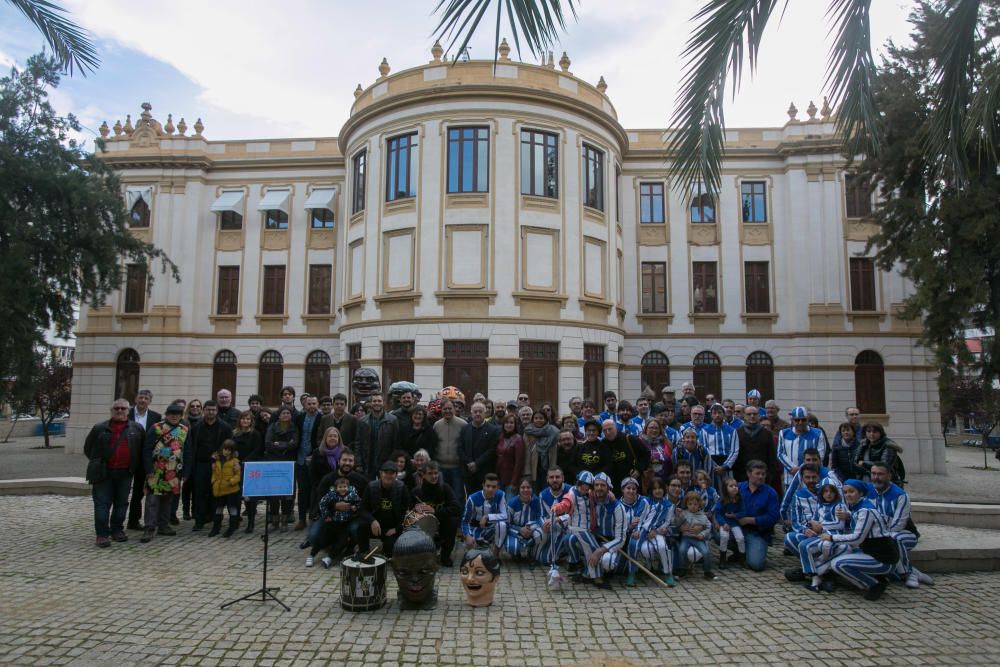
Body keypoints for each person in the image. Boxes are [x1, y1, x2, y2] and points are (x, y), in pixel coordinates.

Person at [84, 399, 146, 547]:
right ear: (111, 411)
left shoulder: (136, 428)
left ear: (128, 410)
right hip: (103, 473)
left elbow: (141, 450)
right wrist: (99, 463)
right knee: (102, 504)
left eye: (123, 408)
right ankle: (102, 534)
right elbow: (88, 448)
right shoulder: (99, 428)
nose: (119, 411)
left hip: (125, 472)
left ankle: (117, 530)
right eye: (116, 408)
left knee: (121, 503)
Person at [825, 479, 899, 601]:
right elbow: (858, 518)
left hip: (883, 558)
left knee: (837, 564)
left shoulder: (865, 510)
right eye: (845, 492)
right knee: (841, 555)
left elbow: (857, 538)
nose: (848, 494)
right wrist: (848, 515)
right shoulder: (860, 505)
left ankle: (874, 584)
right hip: (874, 551)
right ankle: (877, 578)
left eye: (851, 491)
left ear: (861, 493)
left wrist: (832, 538)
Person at [867, 462, 928, 588]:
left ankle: (908, 573)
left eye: (880, 474)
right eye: (873, 474)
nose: (876, 477)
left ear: (889, 475)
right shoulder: (868, 491)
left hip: (904, 533)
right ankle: (912, 571)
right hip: (879, 534)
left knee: (894, 539)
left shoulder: (900, 495)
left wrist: (880, 535)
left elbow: (898, 524)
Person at [140, 402, 188, 543]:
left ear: (181, 416)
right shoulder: (156, 428)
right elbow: (147, 449)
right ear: (167, 415)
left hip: (174, 470)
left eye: (177, 414)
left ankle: (163, 525)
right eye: (172, 414)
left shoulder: (184, 429)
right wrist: (148, 468)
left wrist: (186, 471)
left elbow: (188, 450)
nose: (174, 417)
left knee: (168, 499)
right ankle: (149, 527)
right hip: (156, 470)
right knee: (152, 500)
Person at [184, 400, 233, 531]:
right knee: (199, 493)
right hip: (201, 465)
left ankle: (216, 520)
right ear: (203, 410)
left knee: (217, 493)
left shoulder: (225, 427)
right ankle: (199, 521)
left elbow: (230, 446)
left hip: (219, 465)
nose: (211, 412)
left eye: (213, 410)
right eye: (208, 409)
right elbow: (192, 446)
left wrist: (220, 457)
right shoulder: (196, 427)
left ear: (217, 411)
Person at [550, 471, 602, 586]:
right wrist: (557, 508)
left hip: (587, 529)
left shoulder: (590, 494)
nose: (584, 487)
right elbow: (565, 503)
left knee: (591, 550)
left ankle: (586, 573)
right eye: (582, 484)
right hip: (578, 528)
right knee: (594, 548)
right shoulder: (572, 493)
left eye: (588, 485)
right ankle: (596, 576)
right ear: (578, 483)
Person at [625, 477, 675, 587]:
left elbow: (667, 522)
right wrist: (637, 530)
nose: (658, 491)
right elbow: (640, 517)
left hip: (656, 532)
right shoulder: (646, 501)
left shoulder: (669, 505)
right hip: (642, 529)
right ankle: (631, 573)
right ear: (651, 490)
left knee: (663, 547)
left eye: (660, 488)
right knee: (632, 545)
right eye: (655, 488)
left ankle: (668, 573)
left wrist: (657, 531)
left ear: (664, 489)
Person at [412, 461, 463, 566]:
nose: (434, 476)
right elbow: (408, 512)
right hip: (425, 527)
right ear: (424, 475)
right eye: (430, 473)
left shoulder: (445, 488)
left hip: (444, 524)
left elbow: (457, 508)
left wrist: (435, 511)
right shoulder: (417, 492)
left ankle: (445, 556)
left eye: (436, 473)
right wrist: (415, 510)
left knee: (453, 520)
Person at [360, 460, 413, 555]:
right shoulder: (371, 486)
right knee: (361, 526)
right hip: (375, 526)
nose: (388, 475)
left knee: (389, 552)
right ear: (380, 473)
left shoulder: (402, 487)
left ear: (396, 475)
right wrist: (372, 521)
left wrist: (397, 529)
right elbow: (363, 509)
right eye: (386, 472)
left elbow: (406, 512)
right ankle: (363, 552)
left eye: (392, 473)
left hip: (391, 528)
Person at [126, 389, 161, 530]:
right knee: (122, 492)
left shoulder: (156, 417)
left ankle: (133, 521)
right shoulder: (126, 413)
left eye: (146, 398)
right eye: (140, 397)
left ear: (150, 401)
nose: (143, 400)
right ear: (135, 399)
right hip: (127, 458)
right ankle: (117, 521)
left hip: (145, 460)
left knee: (139, 492)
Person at [737, 459, 781, 571]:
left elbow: (773, 517)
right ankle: (739, 551)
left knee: (756, 565)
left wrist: (750, 520)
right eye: (757, 473)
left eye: (763, 474)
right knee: (718, 535)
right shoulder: (738, 488)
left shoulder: (771, 493)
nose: (761, 477)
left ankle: (747, 551)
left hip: (757, 533)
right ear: (748, 473)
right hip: (737, 529)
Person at [309, 476, 361, 568]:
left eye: (344, 486)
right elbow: (322, 503)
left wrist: (355, 507)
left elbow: (359, 502)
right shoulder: (332, 494)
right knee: (322, 539)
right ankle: (311, 555)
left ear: (348, 487)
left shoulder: (352, 495)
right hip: (332, 523)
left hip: (345, 524)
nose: (342, 489)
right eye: (340, 487)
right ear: (336, 488)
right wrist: (326, 515)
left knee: (342, 542)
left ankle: (329, 558)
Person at [263, 405, 298, 531]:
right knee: (274, 494)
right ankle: (274, 520)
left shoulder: (294, 428)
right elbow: (268, 444)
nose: (285, 415)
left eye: (288, 413)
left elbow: (294, 444)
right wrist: (285, 446)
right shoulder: (272, 427)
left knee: (287, 494)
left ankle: (284, 520)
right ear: (278, 415)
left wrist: (279, 444)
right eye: (283, 413)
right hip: (274, 463)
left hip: (288, 465)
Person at [589, 472, 627, 588]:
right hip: (594, 539)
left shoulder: (618, 507)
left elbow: (621, 538)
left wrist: (599, 551)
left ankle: (606, 570)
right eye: (596, 485)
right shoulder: (589, 501)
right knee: (570, 539)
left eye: (602, 485)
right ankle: (584, 567)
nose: (599, 488)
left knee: (608, 562)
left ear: (608, 488)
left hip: (610, 542)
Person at [777, 406, 828, 489]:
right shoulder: (784, 433)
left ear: (807, 420)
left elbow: (820, 454)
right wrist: (792, 468)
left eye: (803, 420)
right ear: (792, 420)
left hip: (812, 477)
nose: (800, 422)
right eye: (797, 420)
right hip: (791, 477)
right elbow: (780, 453)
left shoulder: (818, 433)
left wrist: (802, 468)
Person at [292, 395, 323, 530]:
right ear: (305, 405)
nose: (311, 406)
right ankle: (301, 519)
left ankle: (313, 517)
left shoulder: (322, 418)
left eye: (314, 404)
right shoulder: (299, 418)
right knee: (302, 490)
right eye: (309, 404)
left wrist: (314, 454)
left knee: (314, 490)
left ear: (318, 405)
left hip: (315, 460)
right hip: (300, 459)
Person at [231, 411, 264, 534]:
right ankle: (235, 520)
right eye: (243, 419)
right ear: (240, 420)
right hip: (236, 467)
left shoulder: (256, 434)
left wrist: (244, 462)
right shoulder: (234, 434)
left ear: (251, 421)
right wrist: (236, 462)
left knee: (250, 498)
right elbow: (232, 449)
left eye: (248, 419)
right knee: (236, 495)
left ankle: (251, 523)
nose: (245, 421)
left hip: (251, 468)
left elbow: (257, 450)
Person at [459, 402, 500, 492]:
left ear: (485, 413)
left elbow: (492, 450)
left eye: (480, 411)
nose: (478, 413)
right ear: (471, 413)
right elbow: (460, 448)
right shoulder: (465, 428)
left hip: (485, 473)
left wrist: (476, 464)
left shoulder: (493, 430)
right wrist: (469, 463)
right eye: (475, 411)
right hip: (468, 473)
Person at [461, 472, 508, 553]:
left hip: (492, 527)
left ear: (498, 487)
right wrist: (467, 536)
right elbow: (465, 521)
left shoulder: (500, 495)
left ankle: (495, 555)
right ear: (483, 485)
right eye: (488, 486)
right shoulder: (473, 498)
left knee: (502, 525)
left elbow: (505, 516)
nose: (490, 489)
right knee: (473, 547)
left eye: (494, 487)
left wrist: (487, 517)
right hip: (476, 527)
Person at [433, 399, 467, 504]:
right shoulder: (436, 425)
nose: (447, 411)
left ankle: (459, 519)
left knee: (458, 497)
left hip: (457, 468)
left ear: (454, 409)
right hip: (441, 468)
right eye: (445, 409)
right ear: (441, 410)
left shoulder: (463, 424)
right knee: (442, 496)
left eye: (450, 408)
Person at [357, 394, 400, 479]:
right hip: (368, 463)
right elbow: (358, 443)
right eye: (374, 401)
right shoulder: (362, 421)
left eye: (379, 401)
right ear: (370, 403)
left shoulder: (393, 420)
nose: (377, 403)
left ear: (383, 403)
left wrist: (393, 462)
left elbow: (396, 444)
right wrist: (358, 463)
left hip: (385, 462)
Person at [676, 491, 716, 579]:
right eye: (690, 504)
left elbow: (708, 526)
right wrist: (679, 519)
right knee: (682, 550)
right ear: (686, 504)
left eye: (695, 504)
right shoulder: (684, 513)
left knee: (705, 552)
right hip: (686, 538)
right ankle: (683, 569)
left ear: (699, 504)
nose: (693, 506)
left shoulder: (702, 516)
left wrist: (702, 534)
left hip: (698, 538)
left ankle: (707, 571)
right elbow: (678, 524)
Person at [782, 464, 821, 553]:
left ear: (818, 477)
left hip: (825, 531)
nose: (811, 480)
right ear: (802, 478)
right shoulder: (798, 496)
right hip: (808, 532)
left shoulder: (826, 492)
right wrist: (805, 530)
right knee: (789, 538)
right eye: (807, 477)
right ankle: (813, 560)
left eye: (813, 477)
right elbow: (796, 522)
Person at [537, 466, 572, 564]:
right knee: (542, 558)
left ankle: (567, 553)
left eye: (557, 477)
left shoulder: (571, 491)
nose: (554, 480)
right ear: (547, 479)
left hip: (569, 528)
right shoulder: (543, 495)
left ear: (563, 478)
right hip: (553, 529)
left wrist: (558, 519)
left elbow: (575, 514)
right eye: (551, 477)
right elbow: (541, 515)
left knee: (547, 559)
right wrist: (544, 524)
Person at [702, 403, 739, 493]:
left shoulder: (732, 431)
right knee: (712, 489)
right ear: (711, 415)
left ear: (724, 414)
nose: (717, 415)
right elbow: (704, 449)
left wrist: (724, 466)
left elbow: (734, 450)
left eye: (719, 412)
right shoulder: (705, 430)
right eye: (714, 413)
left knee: (728, 490)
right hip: (711, 464)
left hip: (727, 464)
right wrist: (713, 465)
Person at [209, 439, 242, 537]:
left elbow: (238, 475)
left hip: (231, 490)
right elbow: (214, 473)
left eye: (228, 450)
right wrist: (214, 482)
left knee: (232, 508)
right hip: (219, 489)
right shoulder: (217, 460)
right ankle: (216, 528)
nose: (226, 452)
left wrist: (231, 482)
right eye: (225, 449)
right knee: (218, 509)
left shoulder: (235, 462)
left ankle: (231, 528)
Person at [504, 476, 542, 560]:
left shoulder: (536, 501)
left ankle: (531, 551)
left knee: (540, 534)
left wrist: (532, 527)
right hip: (515, 532)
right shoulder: (512, 502)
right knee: (512, 547)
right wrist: (520, 530)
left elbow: (539, 518)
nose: (525, 490)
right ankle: (516, 552)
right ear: (519, 489)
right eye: (523, 487)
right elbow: (507, 523)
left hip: (531, 530)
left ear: (532, 489)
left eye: (528, 487)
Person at [733, 406, 774, 483]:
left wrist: (769, 475)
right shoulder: (737, 433)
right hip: (741, 476)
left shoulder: (767, 434)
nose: (752, 416)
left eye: (755, 414)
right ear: (744, 416)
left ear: (758, 416)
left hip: (762, 476)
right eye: (749, 414)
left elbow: (772, 456)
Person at [523, 410, 560, 491]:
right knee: (534, 491)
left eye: (541, 418)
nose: (538, 420)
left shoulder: (554, 432)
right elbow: (526, 452)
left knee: (547, 491)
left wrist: (553, 470)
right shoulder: (528, 431)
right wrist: (527, 472)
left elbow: (555, 452)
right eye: (536, 418)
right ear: (532, 420)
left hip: (548, 466)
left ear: (545, 419)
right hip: (534, 468)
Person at [602, 419, 648, 486]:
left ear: (616, 428)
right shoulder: (603, 444)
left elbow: (646, 455)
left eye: (610, 429)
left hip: (632, 482)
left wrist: (639, 470)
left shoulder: (629, 439)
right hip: (614, 484)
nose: (608, 432)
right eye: (605, 430)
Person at [715, 477, 746, 568]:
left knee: (740, 538)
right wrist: (723, 523)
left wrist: (735, 515)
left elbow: (743, 512)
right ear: (726, 489)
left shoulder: (739, 499)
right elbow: (718, 513)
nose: (734, 487)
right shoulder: (722, 500)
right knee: (724, 537)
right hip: (724, 523)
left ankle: (742, 559)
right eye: (731, 486)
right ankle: (722, 559)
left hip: (734, 522)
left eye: (736, 486)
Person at [639, 418, 674, 494]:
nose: (654, 430)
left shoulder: (667, 443)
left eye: (656, 428)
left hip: (664, 482)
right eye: (651, 428)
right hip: (647, 483)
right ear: (646, 429)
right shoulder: (639, 443)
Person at [495, 413, 526, 495]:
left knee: (509, 505)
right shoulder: (501, 437)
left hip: (511, 480)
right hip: (499, 478)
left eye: (511, 423)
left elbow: (519, 463)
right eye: (506, 422)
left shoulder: (518, 439)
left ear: (515, 425)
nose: (509, 425)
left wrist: (514, 482)